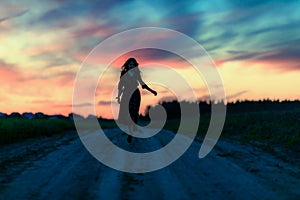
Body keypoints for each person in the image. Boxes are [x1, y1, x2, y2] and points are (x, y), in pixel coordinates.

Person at [116, 58, 157, 143]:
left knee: (134, 112)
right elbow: (120, 86)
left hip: (135, 94)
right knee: (127, 112)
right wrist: (119, 96)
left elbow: (142, 83)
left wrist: (152, 91)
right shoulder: (123, 73)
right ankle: (130, 132)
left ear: (135, 65)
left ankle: (131, 130)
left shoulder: (136, 73)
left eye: (133, 64)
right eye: (130, 64)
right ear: (127, 65)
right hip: (126, 94)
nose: (131, 65)